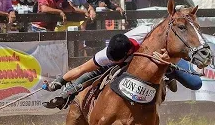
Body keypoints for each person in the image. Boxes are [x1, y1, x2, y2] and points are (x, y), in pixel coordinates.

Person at [42, 24, 206, 109]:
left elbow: (172, 39)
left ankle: (168, 73)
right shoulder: (105, 55)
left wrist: (168, 58)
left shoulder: (146, 33)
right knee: (94, 74)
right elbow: (81, 70)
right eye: (114, 60)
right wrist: (60, 80)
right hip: (136, 62)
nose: (117, 62)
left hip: (164, 58)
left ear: (129, 50)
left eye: (118, 60)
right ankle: (66, 95)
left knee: (195, 83)